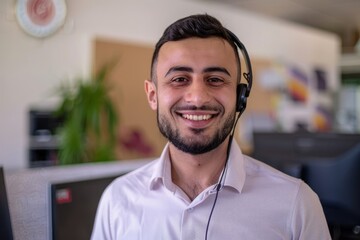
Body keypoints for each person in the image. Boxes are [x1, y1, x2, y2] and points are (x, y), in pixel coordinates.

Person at [91, 14, 331, 240]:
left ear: (240, 97)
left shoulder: (295, 203)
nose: (197, 98)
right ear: (153, 95)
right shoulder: (118, 201)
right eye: (179, 79)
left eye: (215, 80)